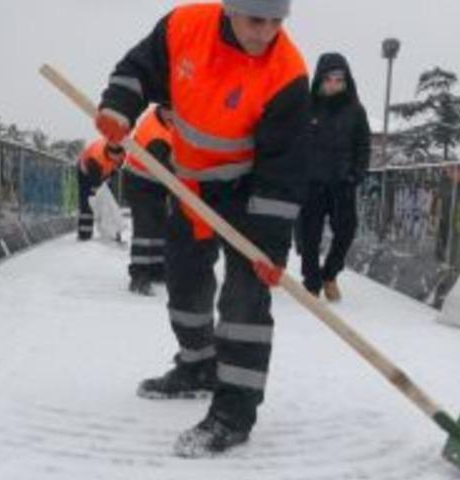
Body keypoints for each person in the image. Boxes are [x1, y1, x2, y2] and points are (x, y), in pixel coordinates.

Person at [95, 0, 309, 457]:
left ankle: (234, 413)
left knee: (244, 300)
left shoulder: (287, 73)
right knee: (184, 280)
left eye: (277, 21)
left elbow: (283, 170)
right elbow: (137, 69)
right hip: (189, 183)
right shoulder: (185, 27)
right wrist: (118, 107)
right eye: (256, 19)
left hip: (247, 191)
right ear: (231, 9)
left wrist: (268, 249)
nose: (266, 33)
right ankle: (197, 366)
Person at [296, 52, 371, 301]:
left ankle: (329, 274)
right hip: (311, 184)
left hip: (342, 183)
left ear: (346, 80)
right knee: (309, 236)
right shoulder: (306, 107)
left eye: (339, 79)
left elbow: (363, 146)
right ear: (319, 79)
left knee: (346, 232)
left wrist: (355, 175)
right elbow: (294, 141)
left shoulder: (356, 110)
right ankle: (311, 282)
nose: (334, 84)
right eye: (328, 79)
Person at [122, 105, 173, 296]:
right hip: (139, 182)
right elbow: (168, 170)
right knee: (145, 227)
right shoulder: (154, 135)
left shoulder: (171, 121)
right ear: (163, 109)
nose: (175, 117)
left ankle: (157, 270)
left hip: (156, 184)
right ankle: (139, 275)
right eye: (172, 112)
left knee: (160, 224)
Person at [76, 138, 123, 241]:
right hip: (86, 173)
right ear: (109, 152)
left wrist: (108, 179)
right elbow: (96, 186)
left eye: (119, 157)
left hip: (103, 173)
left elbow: (115, 170)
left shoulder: (121, 155)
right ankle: (84, 234)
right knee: (88, 201)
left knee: (109, 202)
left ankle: (113, 232)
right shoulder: (95, 158)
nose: (117, 159)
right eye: (114, 157)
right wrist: (98, 193)